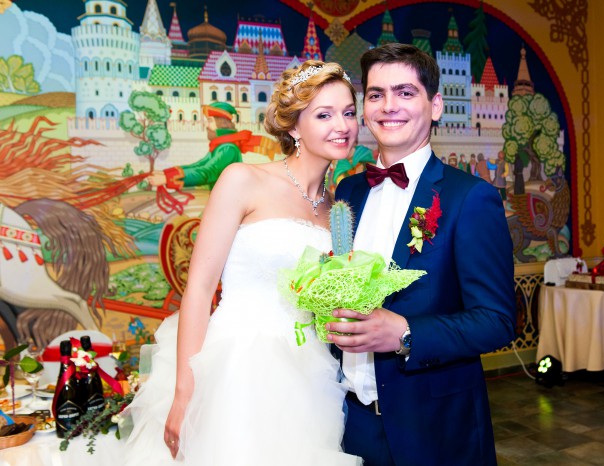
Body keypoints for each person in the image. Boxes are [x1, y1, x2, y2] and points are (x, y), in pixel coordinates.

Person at [123, 60, 362, 466]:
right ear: (294, 127)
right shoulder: (242, 179)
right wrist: (185, 391)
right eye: (324, 115)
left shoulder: (338, 208)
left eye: (349, 113)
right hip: (236, 367)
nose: (342, 125)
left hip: (311, 375)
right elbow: (199, 289)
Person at [328, 43, 516, 466]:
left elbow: (497, 320)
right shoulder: (349, 191)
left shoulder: (470, 198)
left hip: (435, 430)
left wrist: (405, 333)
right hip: (349, 422)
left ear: (435, 106)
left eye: (405, 92)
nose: (388, 106)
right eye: (376, 94)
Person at [147, 102, 277, 191]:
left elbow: (208, 172)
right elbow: (199, 165)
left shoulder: (228, 149)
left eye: (210, 121)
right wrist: (167, 174)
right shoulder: (221, 146)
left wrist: (167, 178)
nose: (206, 125)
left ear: (220, 123)